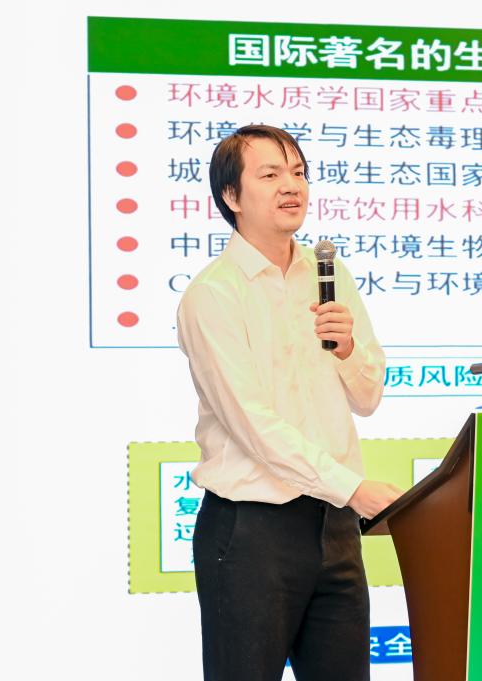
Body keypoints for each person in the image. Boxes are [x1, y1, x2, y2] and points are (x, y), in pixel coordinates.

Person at [176, 124, 402, 681]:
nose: (291, 186)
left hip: (334, 528)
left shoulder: (329, 273)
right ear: (232, 196)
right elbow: (253, 425)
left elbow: (368, 396)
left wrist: (347, 349)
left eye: (298, 173)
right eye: (271, 174)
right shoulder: (213, 295)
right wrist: (354, 488)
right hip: (251, 534)